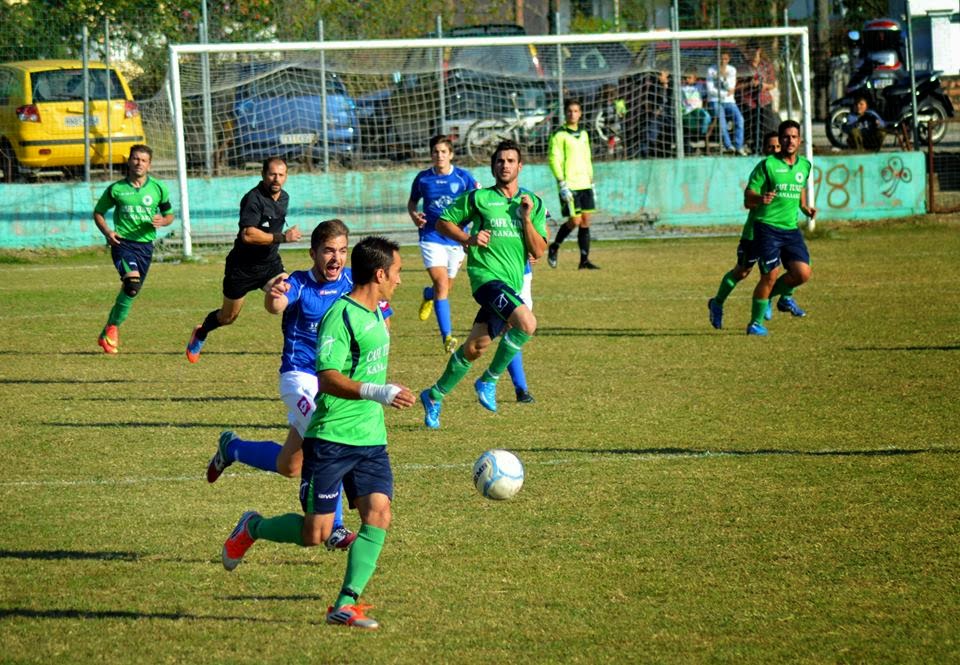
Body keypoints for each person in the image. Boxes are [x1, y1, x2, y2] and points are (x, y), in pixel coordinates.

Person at [221, 236, 414, 631]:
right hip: (332, 437)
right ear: (380, 274)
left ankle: (346, 604)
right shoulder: (339, 316)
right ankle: (253, 526)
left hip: (370, 437)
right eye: (397, 272)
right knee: (316, 533)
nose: (400, 280)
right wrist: (378, 392)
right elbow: (326, 377)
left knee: (379, 514)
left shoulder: (378, 311)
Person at [206, 220, 390, 551]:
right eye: (328, 251)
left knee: (289, 465)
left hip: (334, 381)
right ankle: (334, 527)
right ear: (313, 253)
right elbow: (275, 305)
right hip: (300, 378)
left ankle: (232, 449)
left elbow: (382, 315)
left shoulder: (354, 282)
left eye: (342, 251)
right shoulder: (299, 283)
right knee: (326, 431)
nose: (336, 259)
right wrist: (275, 296)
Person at [419, 140, 548, 428]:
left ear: (520, 166)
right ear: (493, 167)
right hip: (486, 279)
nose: (505, 165)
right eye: (500, 161)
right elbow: (442, 223)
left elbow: (539, 251)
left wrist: (526, 219)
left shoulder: (532, 203)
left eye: (510, 161)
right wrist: (468, 239)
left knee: (475, 348)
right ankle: (489, 380)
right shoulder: (479, 198)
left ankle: (434, 395)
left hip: (512, 283)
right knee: (526, 323)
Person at [185, 156, 302, 363]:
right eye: (272, 174)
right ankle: (202, 332)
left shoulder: (284, 198)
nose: (276, 179)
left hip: (270, 266)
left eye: (281, 175)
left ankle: (294, 349)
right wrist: (283, 237)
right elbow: (248, 235)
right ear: (263, 174)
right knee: (227, 317)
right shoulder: (253, 199)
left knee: (290, 297)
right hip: (242, 268)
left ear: (286, 176)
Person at [93, 144, 174, 354]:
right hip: (122, 244)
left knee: (131, 291)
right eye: (136, 159)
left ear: (149, 165)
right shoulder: (116, 189)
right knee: (132, 283)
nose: (139, 163)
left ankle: (109, 329)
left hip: (145, 247)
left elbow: (169, 215)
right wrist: (108, 232)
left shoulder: (158, 188)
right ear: (129, 161)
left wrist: (163, 220)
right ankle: (112, 330)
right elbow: (98, 212)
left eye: (144, 160)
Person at [741, 120, 817, 336]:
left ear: (799, 140)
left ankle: (773, 298)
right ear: (780, 140)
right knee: (770, 275)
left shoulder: (805, 166)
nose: (790, 141)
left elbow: (799, 186)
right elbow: (748, 195)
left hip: (790, 229)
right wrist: (760, 198)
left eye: (794, 137)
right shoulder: (767, 165)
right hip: (767, 227)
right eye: (786, 137)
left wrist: (804, 206)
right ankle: (755, 323)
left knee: (802, 273)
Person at [407, 135, 480, 354]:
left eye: (443, 152)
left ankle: (428, 295)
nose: (439, 155)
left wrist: (469, 235)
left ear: (451, 154)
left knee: (445, 287)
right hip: (431, 236)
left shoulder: (464, 178)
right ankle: (447, 337)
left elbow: (477, 202)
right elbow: (412, 202)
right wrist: (415, 216)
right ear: (431, 154)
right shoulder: (423, 179)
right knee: (441, 284)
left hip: (456, 238)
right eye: (435, 152)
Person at [707, 131, 780, 329]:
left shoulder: (788, 171)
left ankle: (769, 304)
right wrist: (761, 199)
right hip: (755, 233)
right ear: (764, 149)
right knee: (742, 272)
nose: (774, 150)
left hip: (776, 233)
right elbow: (748, 202)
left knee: (776, 272)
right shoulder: (762, 170)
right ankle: (717, 303)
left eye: (778, 146)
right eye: (770, 147)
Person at [546, 100, 599, 270]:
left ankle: (584, 260)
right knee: (575, 220)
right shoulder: (559, 135)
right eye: (569, 111)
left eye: (576, 111)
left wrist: (591, 180)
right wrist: (561, 182)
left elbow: (587, 157)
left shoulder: (583, 133)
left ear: (580, 113)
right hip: (569, 184)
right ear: (565, 113)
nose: (572, 114)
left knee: (585, 220)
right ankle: (554, 247)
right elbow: (554, 159)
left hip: (585, 183)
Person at [706, 52, 747, 155]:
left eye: (725, 59)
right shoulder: (711, 70)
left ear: (728, 59)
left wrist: (724, 77)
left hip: (729, 101)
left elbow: (731, 87)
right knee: (722, 121)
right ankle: (728, 146)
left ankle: (738, 146)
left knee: (740, 119)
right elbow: (710, 89)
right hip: (715, 100)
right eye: (721, 59)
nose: (723, 61)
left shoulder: (732, 70)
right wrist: (724, 94)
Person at [744, 46, 781, 154]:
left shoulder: (766, 66)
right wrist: (750, 84)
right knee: (754, 126)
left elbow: (773, 84)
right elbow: (736, 86)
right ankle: (755, 148)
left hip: (764, 100)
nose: (752, 54)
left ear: (759, 51)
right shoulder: (745, 66)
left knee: (768, 125)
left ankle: (768, 148)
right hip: (749, 102)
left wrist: (764, 85)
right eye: (750, 51)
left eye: (754, 51)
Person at [639, 70, 674, 158]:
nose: (659, 76)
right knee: (651, 134)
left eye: (661, 74)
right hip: (656, 115)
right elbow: (647, 101)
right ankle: (645, 154)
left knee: (669, 133)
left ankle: (667, 154)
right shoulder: (653, 87)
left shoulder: (672, 86)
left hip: (668, 114)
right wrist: (654, 110)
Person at [680, 72, 711, 151]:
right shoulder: (681, 88)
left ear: (695, 79)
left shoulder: (699, 87)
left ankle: (701, 133)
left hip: (697, 110)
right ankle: (695, 139)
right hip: (686, 112)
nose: (687, 79)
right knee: (690, 124)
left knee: (706, 116)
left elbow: (706, 94)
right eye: (685, 78)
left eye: (689, 78)